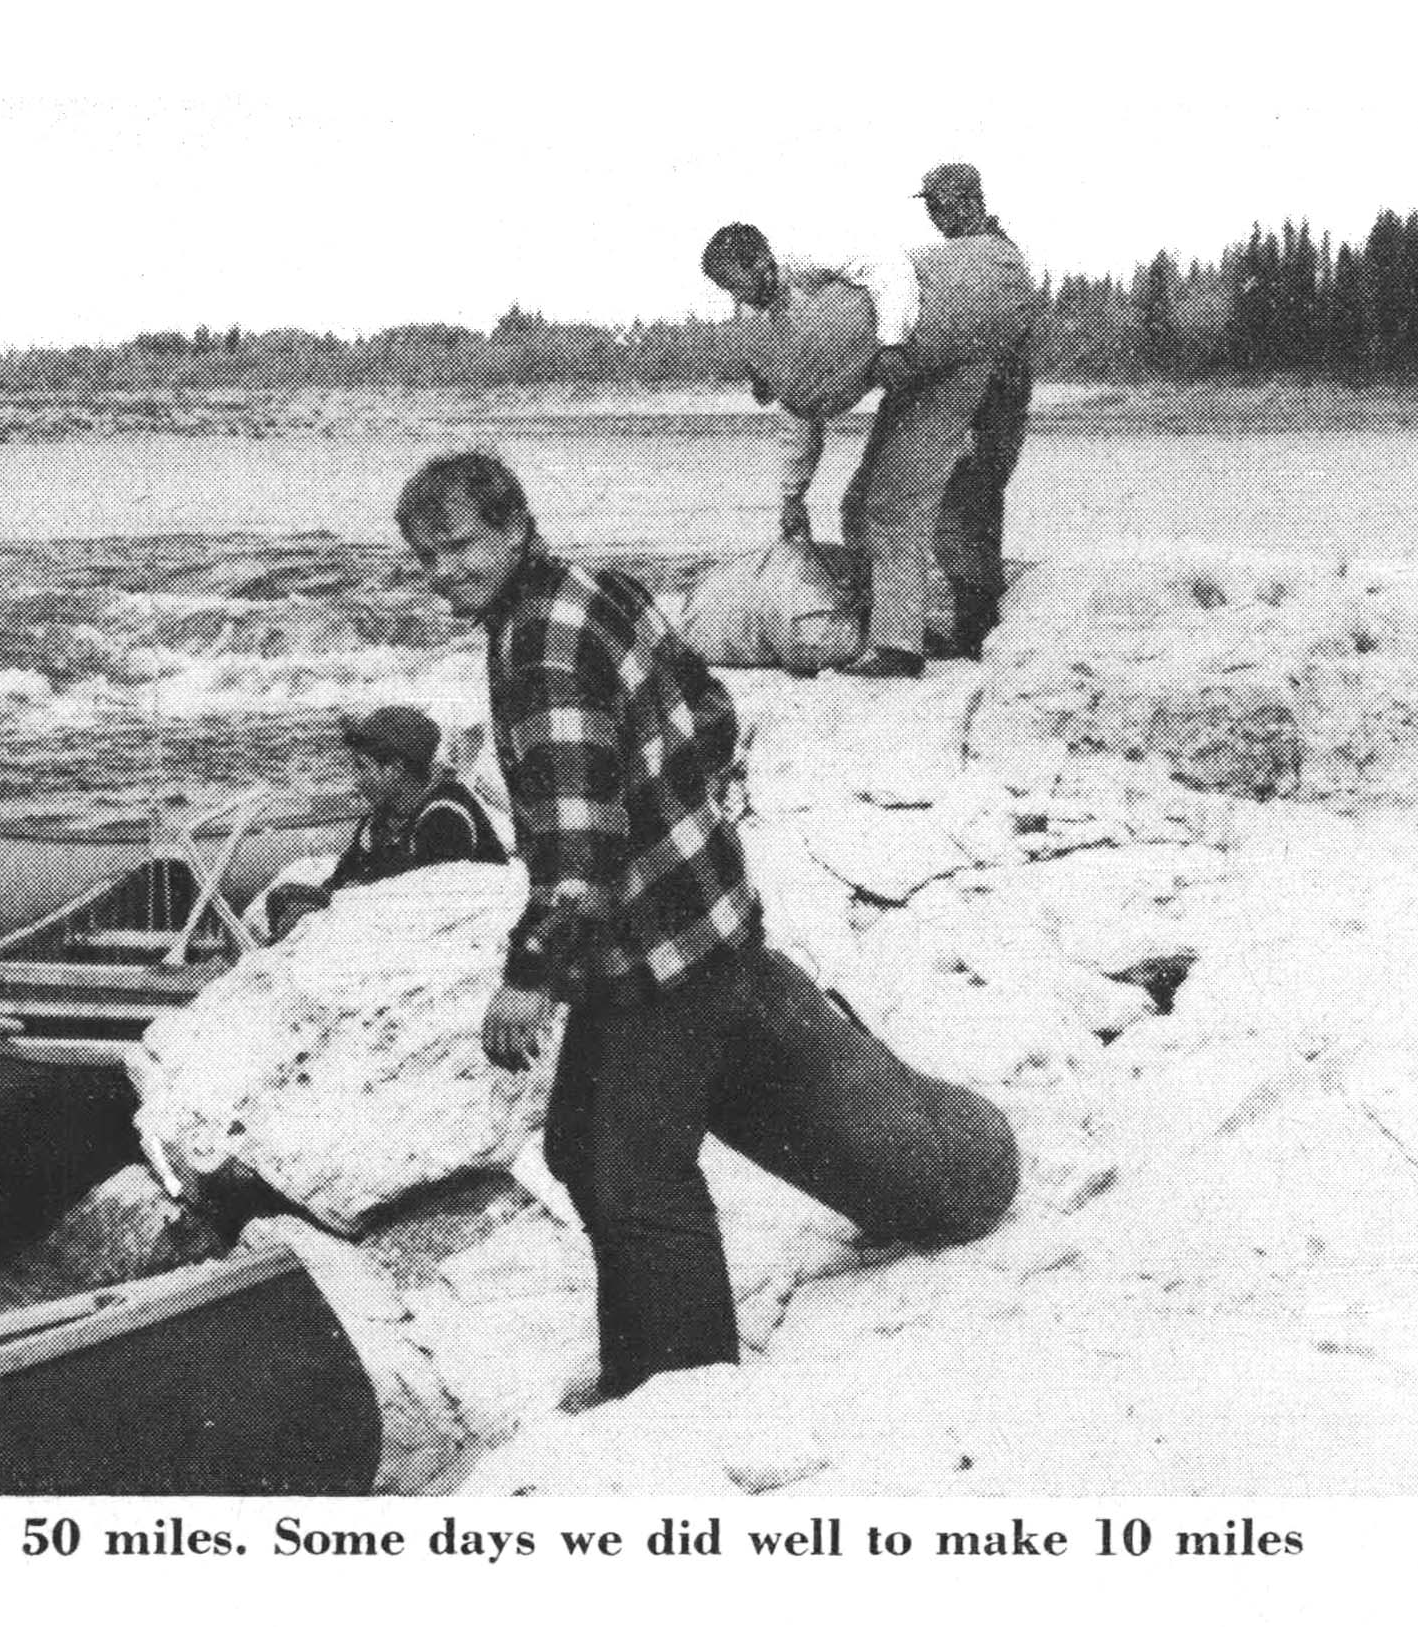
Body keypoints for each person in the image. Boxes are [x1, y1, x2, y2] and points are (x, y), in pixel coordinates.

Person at [396, 448, 996, 1402]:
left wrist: (528, 976)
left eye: (458, 546)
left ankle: (685, 1389)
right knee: (578, 1149)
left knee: (633, 1168)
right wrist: (675, 811)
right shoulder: (596, 589)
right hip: (702, 914)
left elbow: (577, 852)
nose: (442, 573)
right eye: (424, 557)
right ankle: (643, 1365)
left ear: (513, 528)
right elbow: (710, 716)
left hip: (656, 950)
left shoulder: (540, 643)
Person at [701, 209, 1036, 675]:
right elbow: (802, 414)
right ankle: (888, 625)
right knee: (857, 505)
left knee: (896, 505)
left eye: (739, 282)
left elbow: (891, 268)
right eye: (728, 291)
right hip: (917, 371)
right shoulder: (769, 327)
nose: (739, 296)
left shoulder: (812, 263)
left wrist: (891, 345)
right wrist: (793, 496)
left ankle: (899, 647)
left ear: (761, 258)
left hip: (951, 356)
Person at [914, 163, 1035, 657]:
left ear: (967, 203)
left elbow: (991, 347)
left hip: (988, 407)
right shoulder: (981, 258)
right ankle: (977, 626)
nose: (935, 220)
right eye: (930, 210)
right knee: (970, 512)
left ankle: (978, 630)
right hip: (988, 405)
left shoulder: (992, 262)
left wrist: (968, 421)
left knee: (965, 510)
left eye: (940, 208)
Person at [261, 705, 508, 940]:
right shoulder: (381, 817)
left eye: (362, 768)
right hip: (391, 921)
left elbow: (431, 911)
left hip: (453, 935)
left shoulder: (446, 816)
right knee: (284, 899)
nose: (356, 781)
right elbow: (343, 878)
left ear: (395, 769)